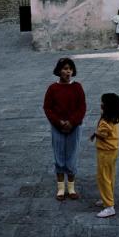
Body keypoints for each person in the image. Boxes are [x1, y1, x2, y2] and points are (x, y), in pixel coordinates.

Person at [43, 58, 86, 201]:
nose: (68, 71)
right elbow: (47, 108)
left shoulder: (77, 87)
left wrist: (72, 122)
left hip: (74, 127)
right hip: (57, 127)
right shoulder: (52, 88)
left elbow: (82, 107)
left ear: (73, 71)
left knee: (72, 156)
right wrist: (59, 122)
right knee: (59, 156)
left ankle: (71, 188)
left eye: (70, 69)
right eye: (65, 68)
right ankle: (61, 188)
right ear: (59, 71)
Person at [90, 93, 119, 218]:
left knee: (103, 178)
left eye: (103, 102)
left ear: (107, 106)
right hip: (113, 150)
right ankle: (107, 199)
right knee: (110, 176)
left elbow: (102, 134)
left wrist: (96, 133)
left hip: (105, 152)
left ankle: (109, 206)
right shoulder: (114, 118)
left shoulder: (105, 121)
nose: (101, 104)